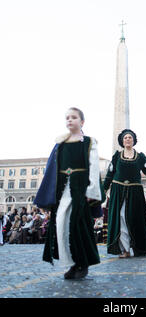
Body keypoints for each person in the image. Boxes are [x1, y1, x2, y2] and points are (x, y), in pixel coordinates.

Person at [34, 107, 103, 280]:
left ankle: (83, 263)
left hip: (80, 188)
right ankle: (72, 262)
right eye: (67, 118)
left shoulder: (88, 142)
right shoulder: (60, 144)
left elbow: (93, 167)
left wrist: (92, 190)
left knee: (77, 225)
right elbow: (53, 168)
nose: (69, 120)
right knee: (60, 223)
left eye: (73, 117)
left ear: (82, 122)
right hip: (62, 189)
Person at [103, 129, 146, 258]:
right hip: (118, 191)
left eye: (130, 138)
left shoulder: (140, 157)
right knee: (121, 219)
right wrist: (103, 189)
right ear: (122, 140)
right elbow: (110, 173)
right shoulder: (116, 156)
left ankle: (137, 247)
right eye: (125, 137)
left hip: (135, 193)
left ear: (133, 141)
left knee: (134, 219)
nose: (127, 139)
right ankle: (125, 249)